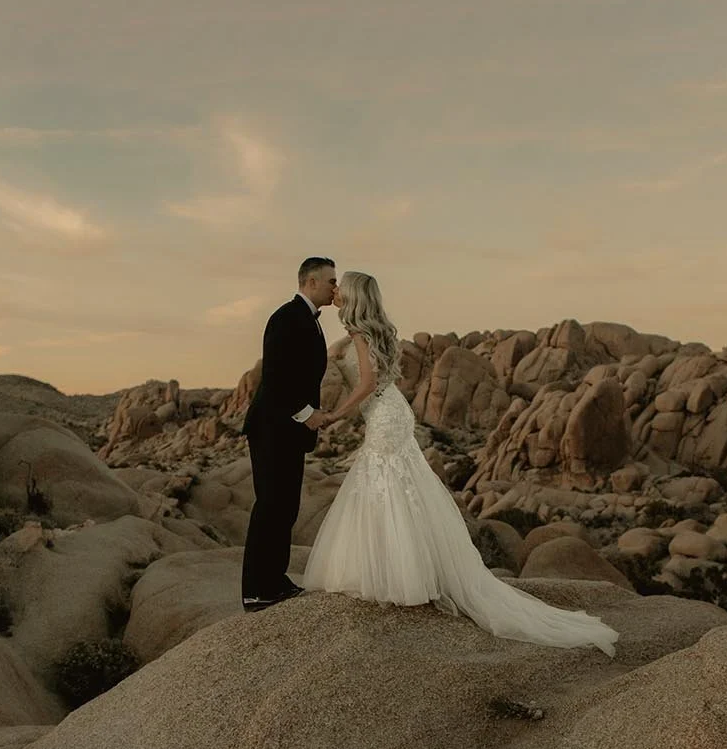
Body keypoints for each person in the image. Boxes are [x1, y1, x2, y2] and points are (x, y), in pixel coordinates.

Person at [301, 270, 618, 657]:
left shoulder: (359, 334)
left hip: (383, 415)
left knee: (386, 484)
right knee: (397, 486)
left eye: (341, 288)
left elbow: (367, 384)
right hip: (391, 412)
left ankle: (398, 576)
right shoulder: (374, 329)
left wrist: (335, 415)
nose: (335, 291)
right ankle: (404, 570)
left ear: (353, 297)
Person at [240, 257, 337, 613]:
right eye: (331, 281)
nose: (335, 288)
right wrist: (307, 414)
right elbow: (277, 376)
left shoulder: (307, 319)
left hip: (287, 430)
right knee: (270, 505)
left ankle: (274, 580)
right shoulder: (285, 317)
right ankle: (256, 589)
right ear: (311, 282)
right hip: (273, 428)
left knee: (286, 508)